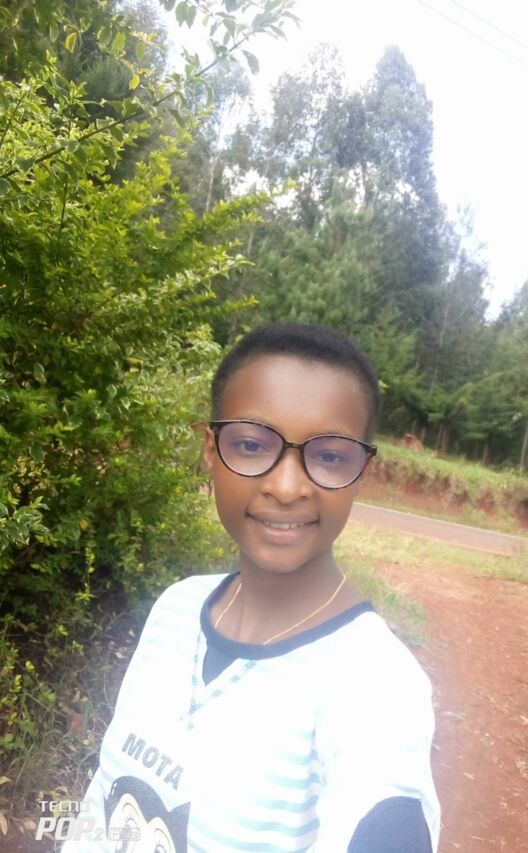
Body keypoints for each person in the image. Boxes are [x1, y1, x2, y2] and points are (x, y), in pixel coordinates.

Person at [62, 323, 440, 852]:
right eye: (250, 445)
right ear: (211, 450)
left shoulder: (374, 682)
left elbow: (383, 813)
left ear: (362, 473)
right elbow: (103, 800)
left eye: (330, 456)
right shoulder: (177, 606)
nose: (286, 487)